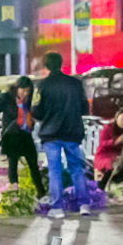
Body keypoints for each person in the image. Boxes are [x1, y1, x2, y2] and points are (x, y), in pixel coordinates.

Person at [31, 52, 89, 218]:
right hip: (72, 132)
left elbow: (37, 111)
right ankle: (84, 204)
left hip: (51, 134)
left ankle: (57, 208)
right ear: (61, 63)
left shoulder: (43, 85)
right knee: (77, 169)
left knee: (54, 171)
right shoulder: (75, 83)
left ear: (47, 65)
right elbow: (85, 107)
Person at [0, 76, 47, 200]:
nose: (25, 94)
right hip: (11, 136)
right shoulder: (6, 98)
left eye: (28, 91)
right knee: (13, 164)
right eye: (23, 91)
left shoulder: (30, 99)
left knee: (33, 163)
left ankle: (41, 193)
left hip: (25, 135)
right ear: (17, 88)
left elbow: (33, 114)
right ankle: (14, 192)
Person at [93, 107, 123, 189]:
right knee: (110, 163)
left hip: (120, 155)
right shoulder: (107, 128)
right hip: (105, 155)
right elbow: (102, 144)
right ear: (117, 117)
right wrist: (117, 141)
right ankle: (101, 187)